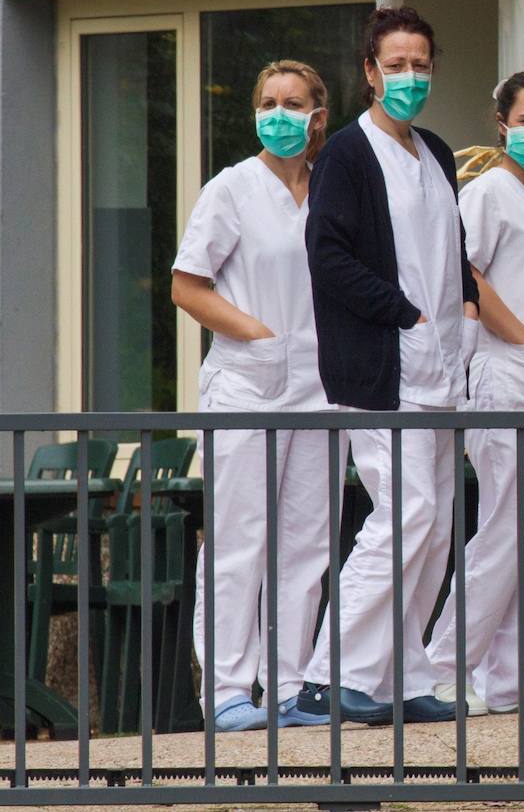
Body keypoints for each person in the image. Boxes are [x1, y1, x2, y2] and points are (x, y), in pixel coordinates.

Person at [296, 6, 480, 725]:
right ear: (369, 72)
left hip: (438, 370)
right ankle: (323, 676)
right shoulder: (347, 152)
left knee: (434, 529)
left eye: (420, 64)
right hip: (380, 370)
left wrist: (461, 304)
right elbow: (328, 255)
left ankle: (398, 679)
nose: (409, 76)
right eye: (394, 65)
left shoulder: (434, 151)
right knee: (408, 515)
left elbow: (451, 246)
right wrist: (399, 311)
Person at [173, 60, 342, 732]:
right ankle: (226, 690)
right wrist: (260, 335)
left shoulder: (331, 189)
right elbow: (188, 285)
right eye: (267, 102)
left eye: (293, 102)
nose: (279, 113)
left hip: (317, 386)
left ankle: (290, 686)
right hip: (248, 380)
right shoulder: (231, 190)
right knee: (240, 539)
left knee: (307, 542)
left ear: (318, 115)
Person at [427, 71, 524, 715]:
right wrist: (522, 340)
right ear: (502, 125)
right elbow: (466, 273)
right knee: (503, 529)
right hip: (506, 377)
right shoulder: (487, 193)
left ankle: (518, 672)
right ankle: (444, 665)